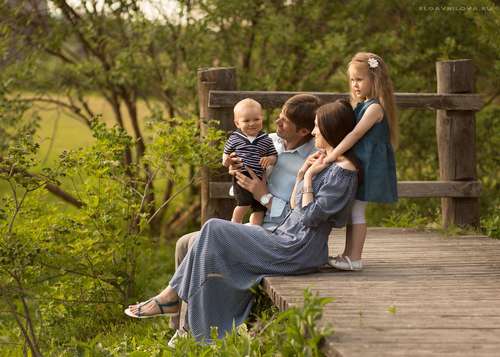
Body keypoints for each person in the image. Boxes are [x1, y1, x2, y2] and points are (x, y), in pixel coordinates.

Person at [125, 99, 360, 344]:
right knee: (207, 234)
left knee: (213, 229)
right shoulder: (317, 157)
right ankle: (183, 321)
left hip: (298, 248)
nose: (313, 132)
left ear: (330, 130)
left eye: (317, 128)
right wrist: (303, 174)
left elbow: (311, 217)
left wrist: (307, 178)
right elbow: (294, 206)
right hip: (284, 237)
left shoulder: (343, 171)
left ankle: (177, 305)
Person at [169, 93, 320, 341]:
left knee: (202, 243)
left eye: (285, 121)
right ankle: (180, 325)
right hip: (250, 222)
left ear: (303, 131)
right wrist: (236, 173)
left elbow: (300, 216)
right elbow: (239, 184)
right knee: (184, 242)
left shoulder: (310, 161)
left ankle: (192, 330)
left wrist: (263, 196)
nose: (277, 122)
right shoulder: (267, 141)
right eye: (279, 116)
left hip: (274, 233)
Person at [327, 52, 398, 271]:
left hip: (369, 167)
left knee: (357, 210)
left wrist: (333, 155)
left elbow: (355, 135)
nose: (355, 85)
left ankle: (355, 258)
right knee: (352, 210)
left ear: (374, 80)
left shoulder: (375, 108)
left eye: (360, 79)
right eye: (352, 80)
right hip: (360, 165)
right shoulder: (362, 105)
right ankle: (348, 254)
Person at [222, 98, 277, 225]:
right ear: (237, 123)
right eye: (246, 121)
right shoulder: (235, 138)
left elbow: (274, 156)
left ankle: (254, 229)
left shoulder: (266, 139)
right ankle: (235, 223)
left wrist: (269, 159)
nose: (252, 123)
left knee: (259, 208)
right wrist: (228, 161)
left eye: (256, 119)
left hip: (260, 178)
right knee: (244, 203)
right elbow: (225, 157)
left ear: (262, 119)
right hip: (242, 176)